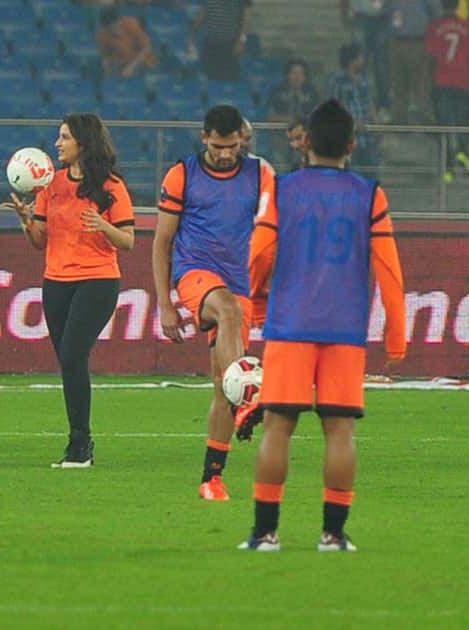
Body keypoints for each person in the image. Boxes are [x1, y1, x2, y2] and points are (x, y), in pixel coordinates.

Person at [239, 98, 406, 551]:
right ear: (351, 145)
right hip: (344, 330)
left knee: (277, 426)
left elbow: (259, 254)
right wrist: (396, 334)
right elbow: (388, 268)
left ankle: (265, 533)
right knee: (340, 430)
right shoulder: (370, 195)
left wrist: (254, 301)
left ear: (306, 142)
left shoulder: (282, 190)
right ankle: (332, 534)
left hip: (290, 324)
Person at [152, 104, 275, 500]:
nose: (226, 154)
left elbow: (277, 229)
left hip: (242, 281)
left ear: (243, 138)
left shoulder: (262, 173)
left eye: (233, 146)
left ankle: (212, 479)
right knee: (228, 310)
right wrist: (165, 304)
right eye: (219, 146)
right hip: (195, 272)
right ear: (204, 137)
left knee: (222, 386)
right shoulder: (182, 174)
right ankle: (250, 398)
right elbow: (162, 242)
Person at [8, 114, 135, 467]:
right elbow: (39, 241)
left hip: (97, 280)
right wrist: (25, 220)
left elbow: (127, 241)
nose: (57, 144)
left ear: (83, 142)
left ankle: (80, 443)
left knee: (73, 354)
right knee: (68, 360)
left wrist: (103, 227)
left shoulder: (112, 187)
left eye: (64, 137)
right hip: (56, 282)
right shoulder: (51, 184)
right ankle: (79, 441)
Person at [426, 0, 469, 181]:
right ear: (457, 5)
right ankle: (463, 156)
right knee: (463, 124)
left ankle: (448, 167)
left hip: (441, 82)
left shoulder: (435, 27)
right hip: (463, 81)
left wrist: (430, 83)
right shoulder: (468, 27)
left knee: (444, 127)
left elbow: (431, 57)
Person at [328, 43, 378, 170]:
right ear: (352, 59)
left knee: (370, 173)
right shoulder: (337, 80)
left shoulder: (364, 79)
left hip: (367, 137)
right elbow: (334, 107)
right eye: (360, 57)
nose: (363, 61)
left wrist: (376, 123)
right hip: (347, 138)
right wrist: (353, 123)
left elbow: (369, 101)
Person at [339, 0, 391, 121]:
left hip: (382, 18)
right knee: (358, 62)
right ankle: (356, 101)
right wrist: (344, 13)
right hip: (361, 17)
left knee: (381, 65)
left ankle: (383, 105)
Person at [189, 0, 253, 81]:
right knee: (211, 80)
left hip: (231, 45)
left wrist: (242, 40)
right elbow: (203, 13)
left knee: (229, 78)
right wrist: (194, 30)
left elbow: (247, 18)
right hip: (211, 44)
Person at [96, 7, 156, 79]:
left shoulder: (132, 24)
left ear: (120, 21)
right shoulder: (102, 35)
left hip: (142, 61)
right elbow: (106, 57)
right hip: (122, 63)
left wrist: (131, 67)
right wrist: (107, 74)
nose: (114, 29)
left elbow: (147, 47)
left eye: (116, 25)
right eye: (110, 28)